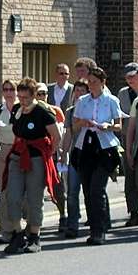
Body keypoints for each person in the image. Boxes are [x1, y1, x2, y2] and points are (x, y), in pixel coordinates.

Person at [3, 78, 60, 254]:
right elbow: (16, 132)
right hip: (18, 156)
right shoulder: (17, 109)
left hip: (36, 158)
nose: (22, 100)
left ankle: (34, 236)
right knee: (12, 197)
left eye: (26, 97)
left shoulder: (43, 111)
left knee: (35, 198)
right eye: (20, 97)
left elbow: (56, 136)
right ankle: (18, 234)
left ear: (34, 95)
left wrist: (48, 155)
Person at [73, 67, 123, 245]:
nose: (91, 85)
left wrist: (107, 126)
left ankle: (99, 230)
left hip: (104, 148)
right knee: (87, 190)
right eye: (89, 82)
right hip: (86, 146)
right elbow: (75, 126)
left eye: (95, 82)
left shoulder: (111, 100)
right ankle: (93, 227)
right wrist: (83, 122)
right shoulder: (83, 101)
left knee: (97, 189)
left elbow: (119, 126)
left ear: (103, 82)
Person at [35, 82, 67, 232]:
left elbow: (61, 134)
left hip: (52, 154)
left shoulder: (55, 111)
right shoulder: (30, 111)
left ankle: (63, 215)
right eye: (39, 93)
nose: (42, 96)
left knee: (58, 187)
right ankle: (34, 222)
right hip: (35, 155)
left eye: (44, 93)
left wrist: (57, 152)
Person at [61, 79, 89, 238]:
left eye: (82, 91)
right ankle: (72, 224)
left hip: (91, 155)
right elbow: (68, 134)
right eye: (76, 91)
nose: (78, 94)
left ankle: (97, 221)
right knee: (72, 191)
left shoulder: (91, 108)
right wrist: (64, 153)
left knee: (91, 191)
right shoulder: (70, 111)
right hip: (75, 156)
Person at [0, 80, 18, 243]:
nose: (8, 92)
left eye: (12, 89)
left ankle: (21, 227)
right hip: (1, 152)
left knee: (17, 191)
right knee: (3, 191)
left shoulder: (21, 108)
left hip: (18, 151)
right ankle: (6, 230)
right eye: (5, 89)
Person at [117, 62, 138, 227]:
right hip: (128, 138)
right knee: (130, 178)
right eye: (127, 77)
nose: (130, 80)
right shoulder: (123, 94)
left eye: (133, 76)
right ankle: (133, 212)